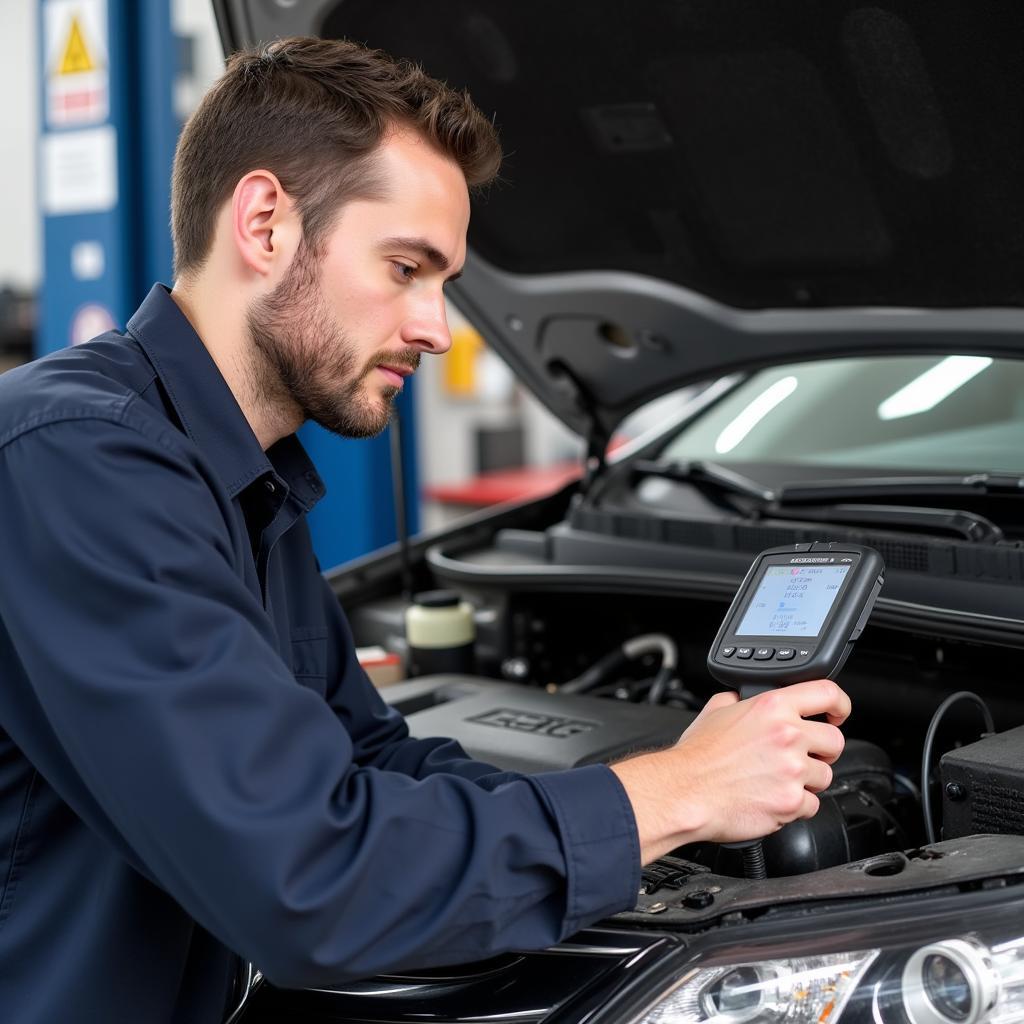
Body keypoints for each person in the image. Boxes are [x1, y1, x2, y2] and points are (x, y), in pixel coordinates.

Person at [0, 37, 850, 1024]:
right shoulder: (76, 458)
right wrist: (673, 795)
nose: (437, 327)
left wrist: (649, 798)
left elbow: (369, 758)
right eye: (406, 267)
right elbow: (305, 882)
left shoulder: (236, 480)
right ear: (266, 223)